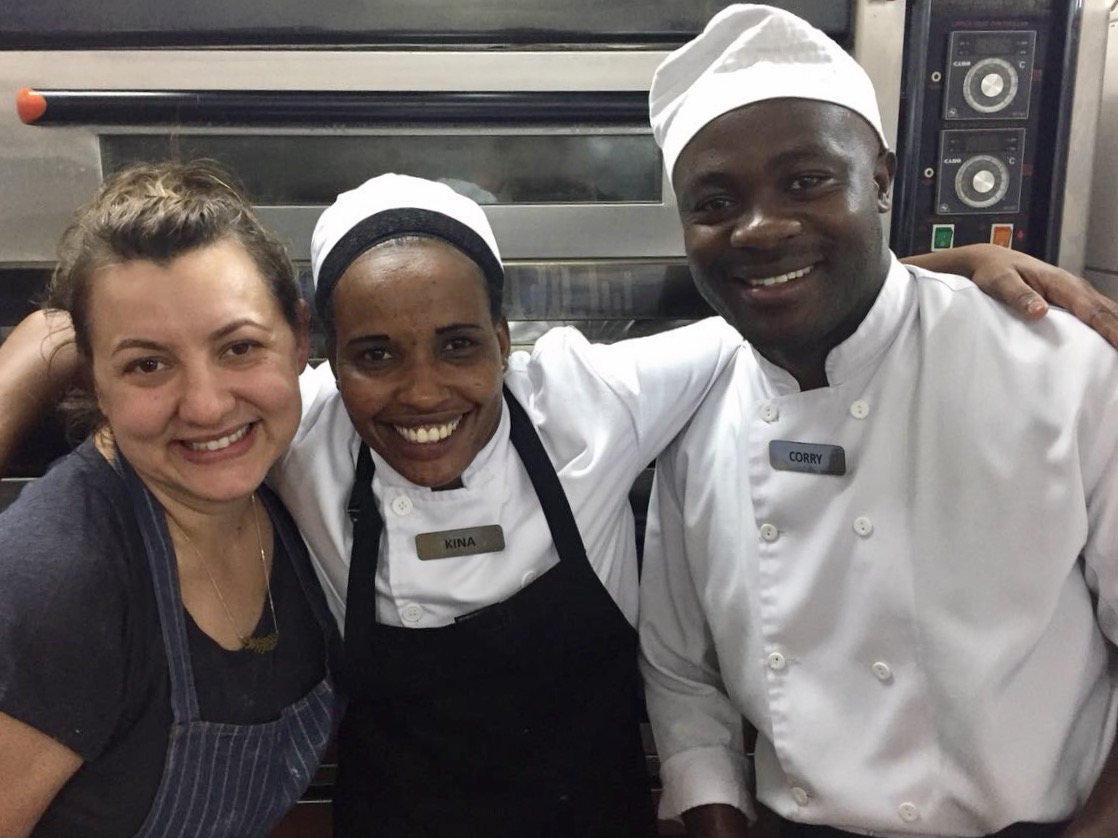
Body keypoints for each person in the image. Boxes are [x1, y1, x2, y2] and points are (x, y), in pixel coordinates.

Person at [0, 175, 1115, 837]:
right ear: (324, 353)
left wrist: (939, 274)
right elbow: (142, 384)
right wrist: (40, 355)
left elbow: (782, 305)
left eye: (458, 345)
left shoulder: (589, 395)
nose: (422, 390)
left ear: (508, 338)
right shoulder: (281, 423)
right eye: (376, 354)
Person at [636, 6, 1118, 838]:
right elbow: (684, 677)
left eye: (805, 181)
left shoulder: (1058, 370)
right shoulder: (697, 404)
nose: (760, 227)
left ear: (882, 178)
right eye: (715, 200)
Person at [0, 161, 341, 838]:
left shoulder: (291, 495)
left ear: (299, 339)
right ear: (95, 380)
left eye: (239, 347)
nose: (208, 405)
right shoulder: (57, 586)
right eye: (147, 365)